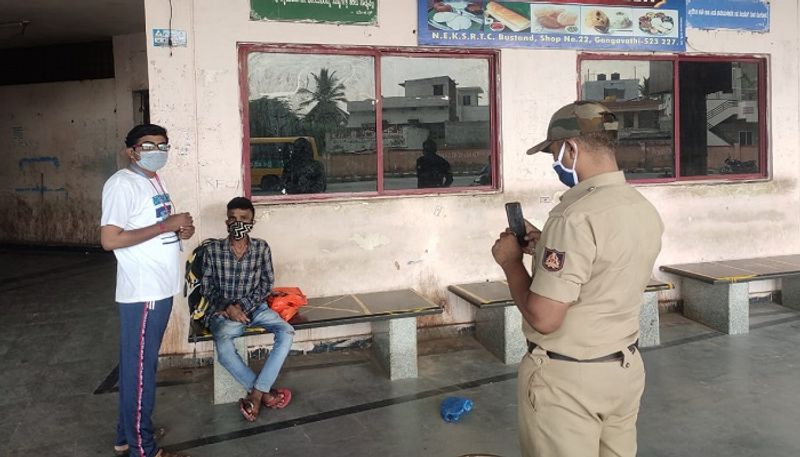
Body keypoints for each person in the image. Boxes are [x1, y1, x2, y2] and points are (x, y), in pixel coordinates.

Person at [491, 101, 663, 457]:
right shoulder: (641, 208)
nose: (555, 163)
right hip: (624, 370)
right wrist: (544, 249)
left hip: (568, 382)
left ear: (571, 148)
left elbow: (545, 318)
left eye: (554, 152)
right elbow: (602, 270)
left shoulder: (573, 218)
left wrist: (511, 264)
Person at [100, 124, 195, 457]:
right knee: (141, 372)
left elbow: (159, 227)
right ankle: (143, 448)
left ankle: (125, 436)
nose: (158, 151)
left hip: (160, 288)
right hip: (144, 293)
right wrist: (164, 226)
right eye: (149, 145)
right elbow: (109, 239)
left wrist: (179, 230)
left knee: (137, 367)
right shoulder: (122, 184)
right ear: (132, 151)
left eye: (163, 145)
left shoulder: (154, 180)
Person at [201, 197, 295, 422]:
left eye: (243, 219)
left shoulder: (261, 248)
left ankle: (256, 394)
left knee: (287, 332)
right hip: (224, 314)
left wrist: (242, 306)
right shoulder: (213, 250)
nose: (237, 223)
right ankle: (265, 393)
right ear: (226, 222)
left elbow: (266, 284)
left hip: (256, 308)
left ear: (252, 223)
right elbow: (206, 287)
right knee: (223, 345)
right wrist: (228, 307)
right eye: (233, 219)